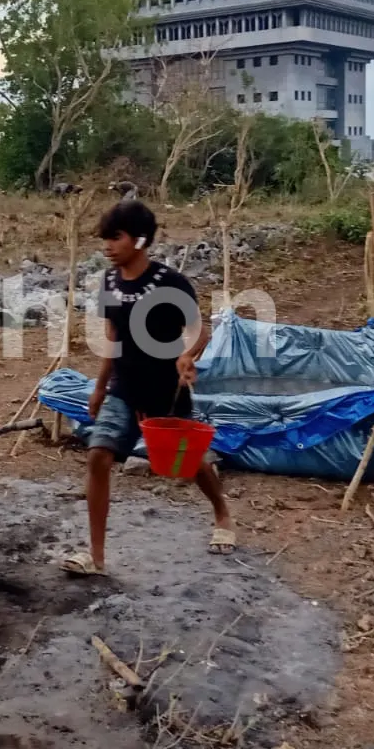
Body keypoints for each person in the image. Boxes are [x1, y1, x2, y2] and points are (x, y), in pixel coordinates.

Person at [61, 200, 234, 577]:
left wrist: (186, 356)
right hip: (124, 387)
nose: (107, 246)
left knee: (191, 463)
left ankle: (221, 512)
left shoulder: (170, 282)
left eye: (116, 237)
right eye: (105, 238)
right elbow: (112, 338)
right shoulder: (109, 282)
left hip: (165, 389)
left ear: (140, 240)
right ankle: (96, 556)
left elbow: (199, 331)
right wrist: (99, 387)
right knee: (98, 455)